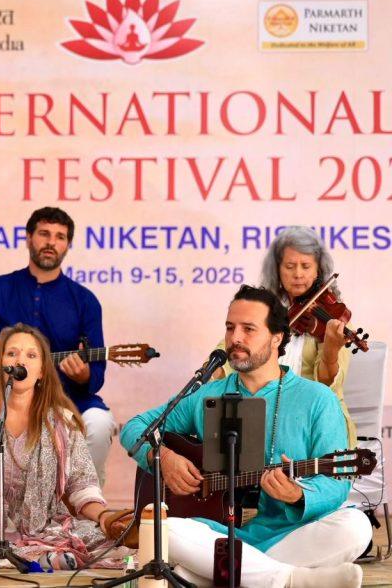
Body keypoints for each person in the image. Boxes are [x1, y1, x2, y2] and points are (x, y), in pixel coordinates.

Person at [120, 285, 371, 588]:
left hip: (292, 532)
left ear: (277, 337)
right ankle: (289, 580)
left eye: (248, 329)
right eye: (230, 328)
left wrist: (298, 495)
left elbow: (335, 485)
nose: (235, 338)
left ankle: (224, 573)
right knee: (166, 531)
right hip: (219, 531)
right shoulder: (207, 394)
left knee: (356, 527)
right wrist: (164, 458)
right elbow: (136, 428)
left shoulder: (317, 398)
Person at [0, 206, 114, 485]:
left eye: (60, 237)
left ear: (67, 245)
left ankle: (84, 500)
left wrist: (82, 374)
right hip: (6, 398)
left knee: (99, 423)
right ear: (28, 238)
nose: (51, 242)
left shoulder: (85, 301)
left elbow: (96, 374)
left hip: (66, 398)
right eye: (44, 234)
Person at [0, 323, 125, 570]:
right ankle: (38, 559)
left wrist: (105, 517)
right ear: (0, 365)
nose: (20, 360)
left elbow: (82, 485)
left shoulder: (61, 421)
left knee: (115, 547)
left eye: (31, 355)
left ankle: (33, 557)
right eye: (12, 353)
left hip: (44, 531)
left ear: (42, 371)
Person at [214, 226, 356, 445]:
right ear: (277, 271)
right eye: (290, 266)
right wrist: (212, 372)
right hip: (262, 412)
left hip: (314, 419)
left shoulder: (333, 319)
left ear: (318, 271)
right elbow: (232, 348)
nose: (298, 274)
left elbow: (327, 385)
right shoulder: (261, 312)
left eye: (306, 266)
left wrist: (330, 349)